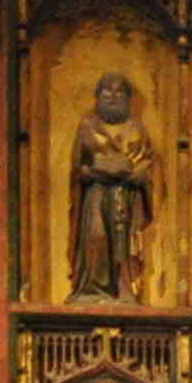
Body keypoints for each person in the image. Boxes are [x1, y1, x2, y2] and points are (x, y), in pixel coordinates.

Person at [69, 72, 160, 300]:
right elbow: (77, 167)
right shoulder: (88, 126)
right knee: (96, 235)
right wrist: (92, 171)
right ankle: (93, 288)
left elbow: (147, 163)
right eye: (107, 91)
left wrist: (135, 173)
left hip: (126, 195)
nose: (112, 96)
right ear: (98, 96)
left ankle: (123, 287)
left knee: (123, 243)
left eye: (119, 92)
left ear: (128, 98)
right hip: (96, 193)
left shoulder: (136, 128)